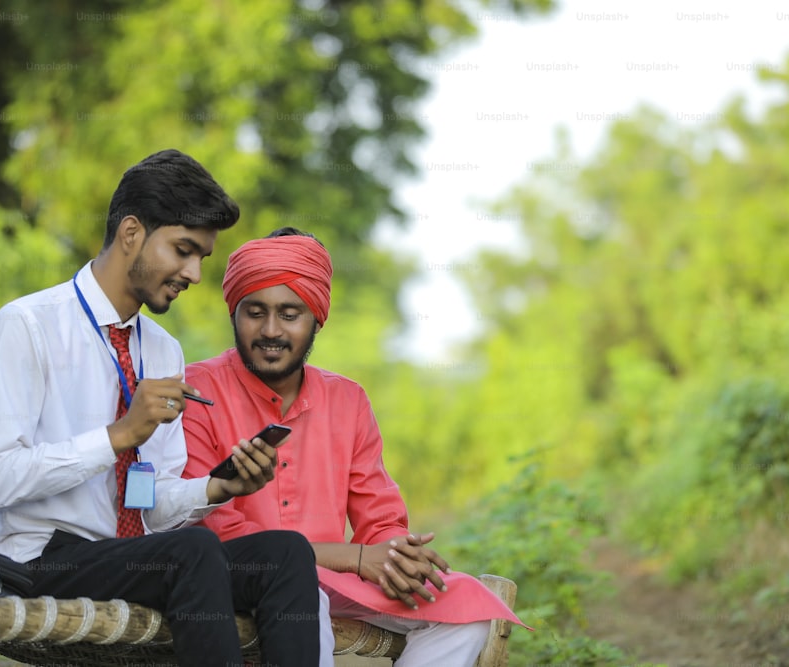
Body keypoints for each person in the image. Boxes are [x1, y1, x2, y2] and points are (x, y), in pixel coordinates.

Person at [0, 152, 321, 667]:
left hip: (135, 557)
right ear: (131, 232)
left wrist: (220, 488)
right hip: (42, 557)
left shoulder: (160, 349)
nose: (195, 273)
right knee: (191, 553)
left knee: (286, 553)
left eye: (202, 256)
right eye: (183, 250)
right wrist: (117, 435)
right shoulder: (27, 326)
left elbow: (150, 506)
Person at [180, 228, 532, 667]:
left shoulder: (347, 399)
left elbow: (380, 515)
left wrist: (396, 556)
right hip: (241, 577)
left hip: (337, 576)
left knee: (466, 609)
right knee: (303, 595)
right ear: (234, 313)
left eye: (289, 314)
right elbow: (214, 531)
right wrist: (358, 557)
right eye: (255, 312)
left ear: (316, 319)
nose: (270, 330)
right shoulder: (197, 390)